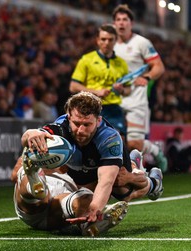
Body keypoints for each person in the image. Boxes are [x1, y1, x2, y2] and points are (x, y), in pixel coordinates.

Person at [20, 91, 164, 225]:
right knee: (82, 185)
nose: (81, 130)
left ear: (98, 120)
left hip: (107, 167)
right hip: (82, 167)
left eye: (87, 124)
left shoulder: (109, 138)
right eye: (76, 123)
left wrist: (94, 208)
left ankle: (153, 183)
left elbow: (106, 181)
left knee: (123, 190)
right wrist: (31, 133)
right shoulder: (60, 127)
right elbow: (30, 136)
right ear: (69, 117)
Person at [12, 152, 129, 236]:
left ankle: (88, 224)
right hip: (32, 206)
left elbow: (112, 188)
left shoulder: (78, 164)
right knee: (25, 174)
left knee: (86, 197)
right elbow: (13, 175)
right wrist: (48, 166)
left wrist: (129, 177)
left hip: (59, 205)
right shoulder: (34, 153)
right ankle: (35, 183)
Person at [112, 4, 168, 172]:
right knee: (114, 141)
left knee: (134, 143)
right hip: (114, 98)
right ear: (114, 23)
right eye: (118, 20)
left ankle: (155, 151)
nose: (121, 23)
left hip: (136, 99)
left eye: (125, 20)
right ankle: (131, 174)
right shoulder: (110, 44)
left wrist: (147, 76)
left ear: (131, 23)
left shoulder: (141, 43)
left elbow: (158, 66)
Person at [69, 24, 131, 138]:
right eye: (103, 39)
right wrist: (95, 92)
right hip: (91, 107)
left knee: (119, 140)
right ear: (98, 40)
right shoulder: (87, 59)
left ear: (116, 41)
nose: (107, 43)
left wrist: (121, 90)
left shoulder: (122, 63)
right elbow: (73, 86)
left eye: (110, 40)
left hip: (113, 108)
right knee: (91, 140)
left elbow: (128, 90)